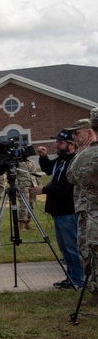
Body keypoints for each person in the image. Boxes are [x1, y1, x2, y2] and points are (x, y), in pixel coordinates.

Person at [34, 130, 84, 289]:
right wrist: (43, 157)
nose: (57, 146)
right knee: (64, 248)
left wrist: (45, 191)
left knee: (72, 247)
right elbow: (50, 170)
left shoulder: (73, 161)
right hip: (58, 210)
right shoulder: (61, 160)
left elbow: (67, 188)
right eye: (56, 143)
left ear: (72, 145)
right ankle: (71, 276)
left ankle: (78, 279)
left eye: (60, 143)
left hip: (68, 210)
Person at [67, 112, 98, 305]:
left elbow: (71, 177)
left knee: (91, 250)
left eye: (77, 134)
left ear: (90, 132)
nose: (73, 138)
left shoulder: (84, 157)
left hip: (91, 211)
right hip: (86, 211)